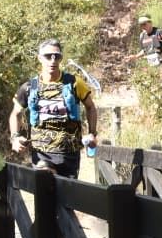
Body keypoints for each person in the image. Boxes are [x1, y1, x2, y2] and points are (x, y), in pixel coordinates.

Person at [9, 38, 99, 178]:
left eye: (57, 56)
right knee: (45, 190)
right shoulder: (29, 87)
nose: (53, 60)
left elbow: (90, 107)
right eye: (48, 56)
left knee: (68, 197)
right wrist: (15, 137)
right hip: (41, 153)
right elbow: (16, 113)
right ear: (39, 58)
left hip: (69, 153)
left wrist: (92, 133)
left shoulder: (74, 83)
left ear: (61, 58)